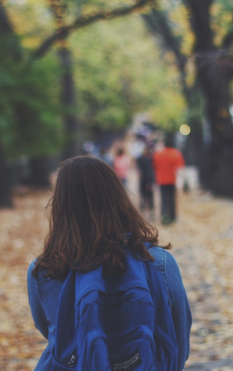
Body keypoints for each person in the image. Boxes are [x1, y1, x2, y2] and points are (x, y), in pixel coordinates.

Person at [27, 156, 192, 371]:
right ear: (118, 198)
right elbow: (179, 335)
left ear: (60, 207)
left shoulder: (44, 270)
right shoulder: (158, 262)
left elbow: (51, 332)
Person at [153, 136, 185, 225]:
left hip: (162, 180)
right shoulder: (176, 154)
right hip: (172, 180)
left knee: (163, 199)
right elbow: (180, 168)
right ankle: (173, 217)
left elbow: (155, 166)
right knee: (172, 199)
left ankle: (164, 216)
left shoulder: (158, 154)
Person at [136, 146, 155, 218]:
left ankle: (150, 213)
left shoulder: (150, 159)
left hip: (147, 180)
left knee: (149, 197)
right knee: (144, 196)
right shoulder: (145, 159)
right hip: (144, 180)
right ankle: (145, 212)